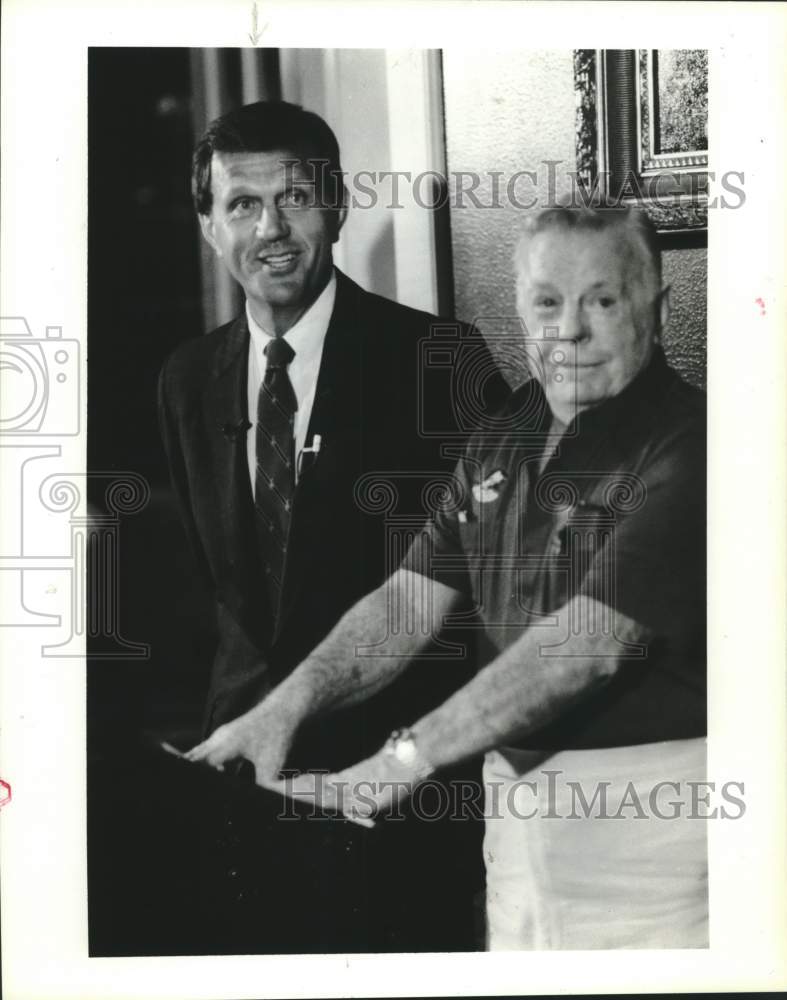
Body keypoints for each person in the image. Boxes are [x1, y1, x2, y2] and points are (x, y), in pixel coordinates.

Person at [188, 204, 708, 951]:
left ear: (654, 307)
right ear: (520, 309)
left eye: (602, 299)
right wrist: (283, 707)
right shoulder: (504, 432)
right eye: (547, 303)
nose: (569, 330)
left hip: (654, 841)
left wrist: (389, 768)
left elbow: (580, 649)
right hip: (515, 829)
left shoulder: (693, 448)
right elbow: (406, 601)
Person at [158, 100, 508, 952]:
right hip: (239, 783)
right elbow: (212, 591)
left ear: (338, 205)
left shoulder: (440, 363)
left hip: (395, 798)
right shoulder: (185, 380)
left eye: (295, 198)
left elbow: (485, 594)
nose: (271, 229)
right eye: (242, 205)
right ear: (209, 226)